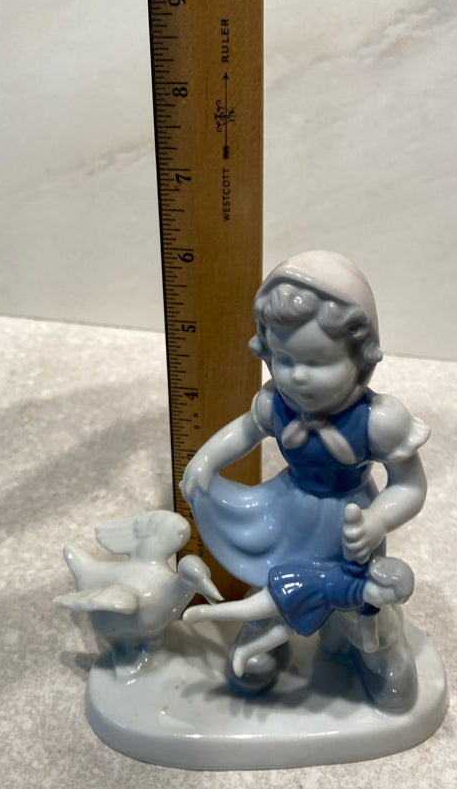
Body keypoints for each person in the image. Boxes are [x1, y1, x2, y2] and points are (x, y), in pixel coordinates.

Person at [180, 251, 430, 710]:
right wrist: (206, 461)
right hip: (288, 512)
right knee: (271, 581)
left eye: (317, 361)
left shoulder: (379, 420)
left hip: (348, 523)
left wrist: (377, 520)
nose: (297, 376)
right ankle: (264, 640)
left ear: (362, 358)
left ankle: (380, 654)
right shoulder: (275, 403)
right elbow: (245, 431)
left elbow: (410, 486)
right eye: (284, 359)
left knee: (358, 601)